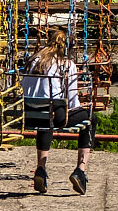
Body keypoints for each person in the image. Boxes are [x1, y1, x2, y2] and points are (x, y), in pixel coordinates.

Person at [21, 27, 93, 195]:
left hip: (29, 115)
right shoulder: (67, 65)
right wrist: (77, 109)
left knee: (45, 120)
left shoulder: (33, 60)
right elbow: (73, 99)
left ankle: (41, 168)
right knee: (90, 118)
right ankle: (80, 170)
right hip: (54, 116)